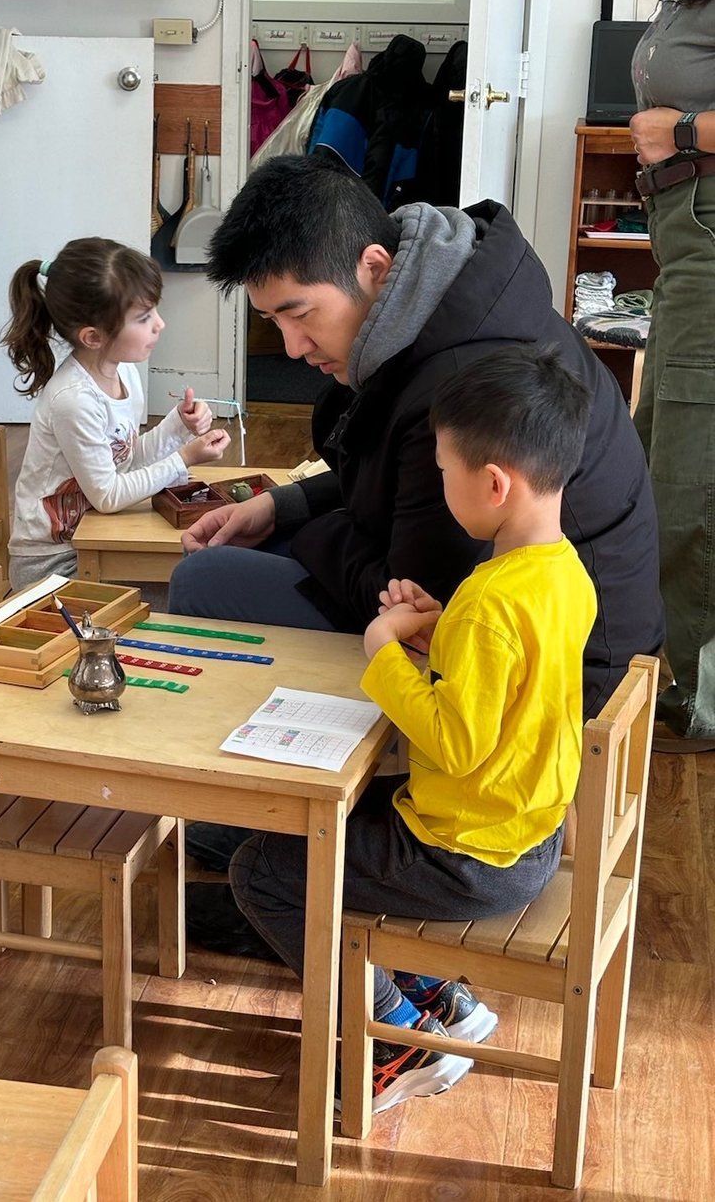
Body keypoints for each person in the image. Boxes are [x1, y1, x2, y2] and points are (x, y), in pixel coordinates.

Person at [171, 154, 662, 937]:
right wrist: (285, 504)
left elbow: (414, 582)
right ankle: (264, 826)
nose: (293, 348)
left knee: (204, 588)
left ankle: (281, 894)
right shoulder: (440, 305)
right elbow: (386, 483)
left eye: (301, 315)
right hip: (539, 651)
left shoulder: (459, 386)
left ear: (374, 265)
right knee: (239, 571)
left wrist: (312, 533)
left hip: (532, 696)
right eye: (276, 325)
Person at [228, 345, 598, 1113]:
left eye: (442, 468)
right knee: (320, 831)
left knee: (263, 868)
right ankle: (436, 996)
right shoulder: (561, 572)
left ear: (494, 483)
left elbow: (455, 743)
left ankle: (396, 1037)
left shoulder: (488, 601)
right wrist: (438, 636)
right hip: (525, 830)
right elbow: (510, 691)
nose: (436, 481)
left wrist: (381, 649)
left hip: (468, 852)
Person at [3, 237, 229, 589]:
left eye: (154, 310)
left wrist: (178, 426)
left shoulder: (123, 372)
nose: (160, 324)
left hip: (96, 537)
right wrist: (184, 458)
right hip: (54, 566)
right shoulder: (74, 400)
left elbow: (125, 459)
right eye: (143, 317)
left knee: (200, 577)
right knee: (186, 595)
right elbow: (108, 496)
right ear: (93, 337)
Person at [626, 0, 715, 751]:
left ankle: (691, 698)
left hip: (710, 235)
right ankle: (657, 671)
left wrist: (682, 133)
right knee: (657, 455)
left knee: (691, 484)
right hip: (683, 234)